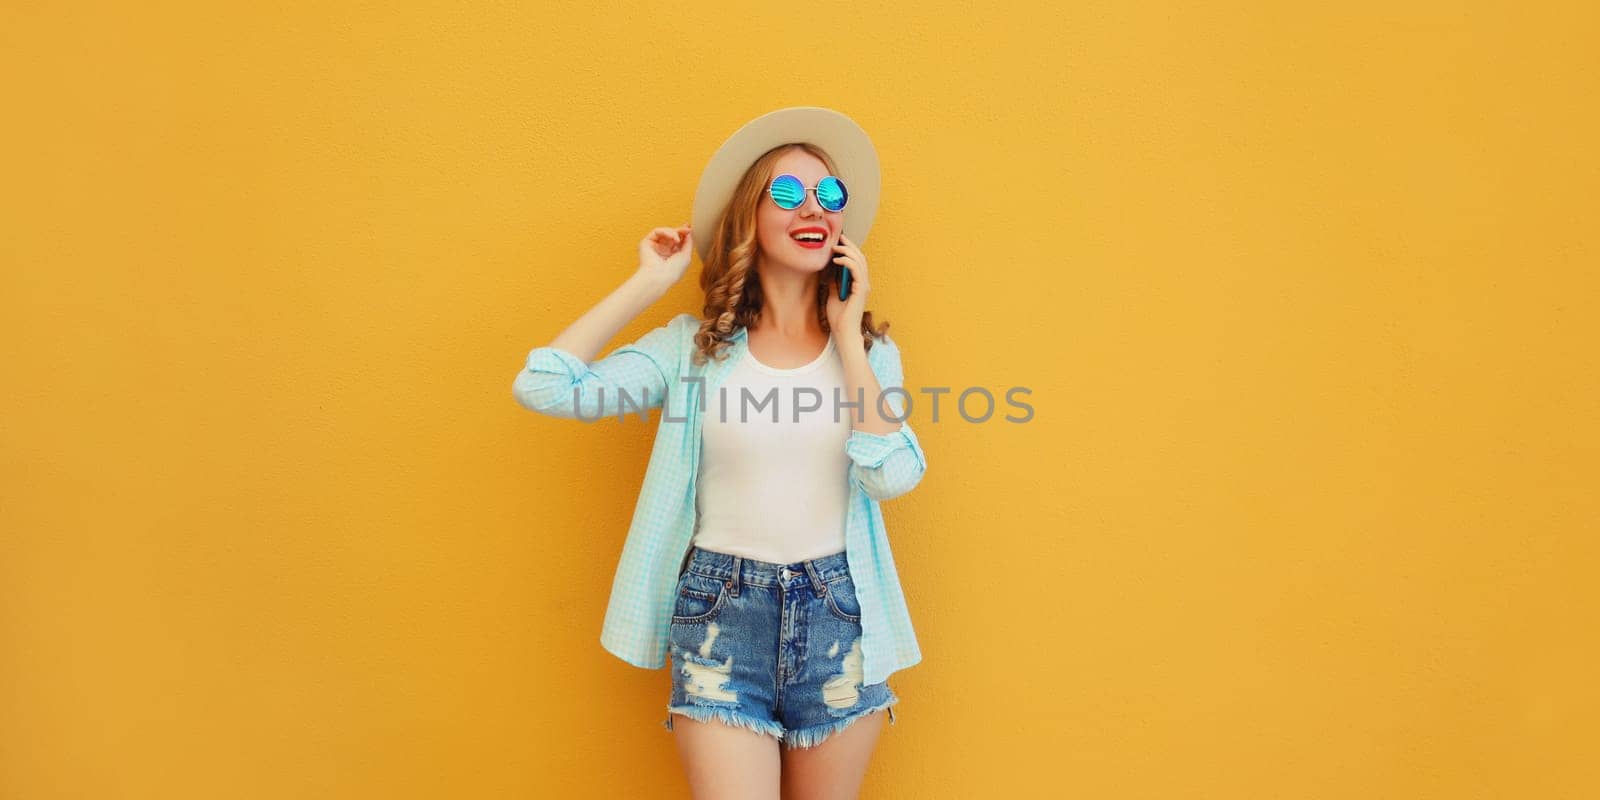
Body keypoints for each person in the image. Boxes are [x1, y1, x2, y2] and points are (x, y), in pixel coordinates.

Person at [512, 107, 928, 799]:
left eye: (830, 196)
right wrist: (649, 281)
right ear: (750, 217)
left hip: (840, 615)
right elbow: (545, 386)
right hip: (719, 615)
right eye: (788, 194)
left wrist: (850, 336)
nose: (815, 208)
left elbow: (892, 475)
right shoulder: (690, 350)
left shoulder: (872, 356)